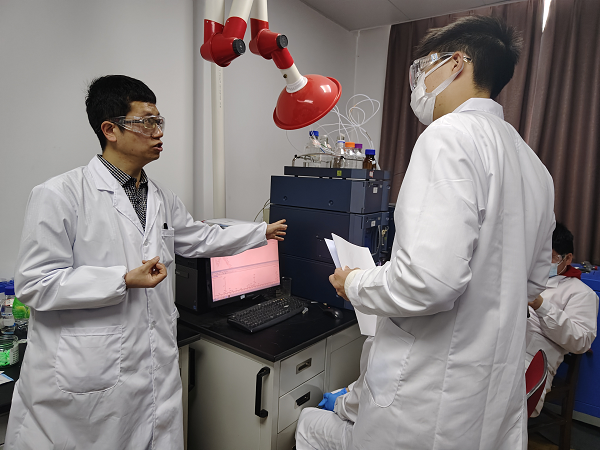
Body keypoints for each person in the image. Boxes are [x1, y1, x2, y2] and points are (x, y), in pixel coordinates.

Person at [296, 16, 555, 450]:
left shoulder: (449, 136)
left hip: (428, 399)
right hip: (487, 396)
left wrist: (354, 282)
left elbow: (427, 282)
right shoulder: (534, 166)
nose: (418, 82)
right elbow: (531, 283)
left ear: (456, 63)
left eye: (423, 67)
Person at [5, 75, 287, 450]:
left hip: (153, 366)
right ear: (110, 130)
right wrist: (121, 280)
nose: (158, 132)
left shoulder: (160, 197)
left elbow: (199, 237)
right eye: (147, 122)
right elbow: (34, 284)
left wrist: (259, 233)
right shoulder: (59, 195)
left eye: (159, 121)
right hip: (86, 374)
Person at [526, 222, 598, 417]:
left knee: (498, 404)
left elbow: (581, 341)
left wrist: (541, 306)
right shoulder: (522, 278)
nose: (541, 262)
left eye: (549, 257)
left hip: (530, 360)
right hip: (500, 349)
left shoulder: (581, 293)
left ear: (567, 258)